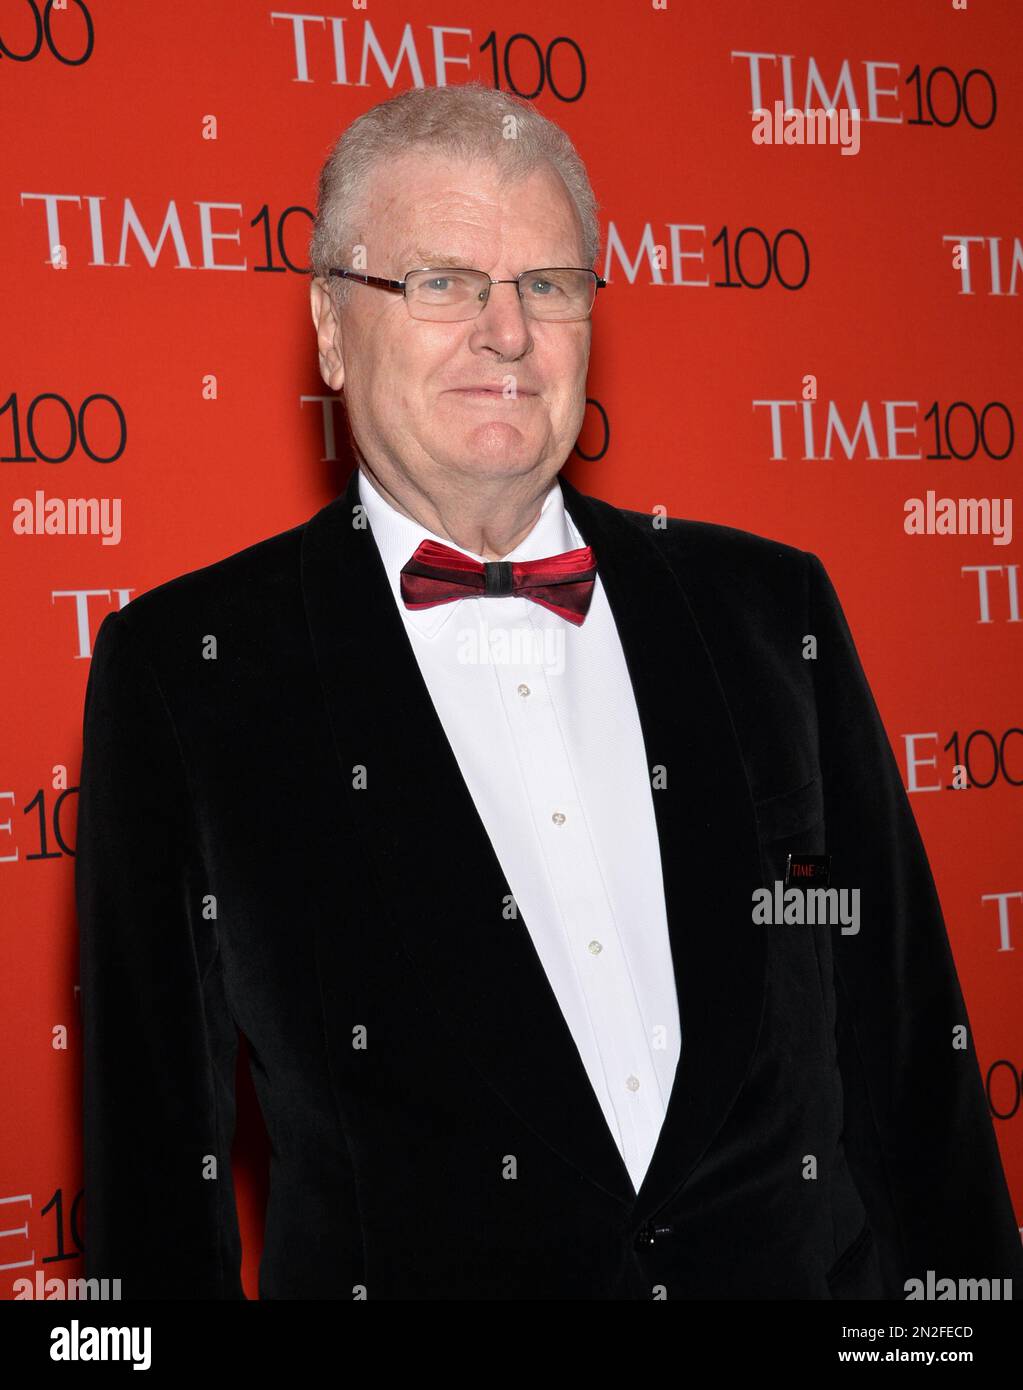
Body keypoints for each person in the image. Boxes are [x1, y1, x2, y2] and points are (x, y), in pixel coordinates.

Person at [75, 81, 1021, 1300]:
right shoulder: (189, 670)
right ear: (327, 325)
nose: (507, 332)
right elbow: (157, 1182)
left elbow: (906, 1067)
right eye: (443, 282)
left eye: (550, 284)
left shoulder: (769, 612)